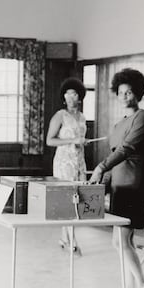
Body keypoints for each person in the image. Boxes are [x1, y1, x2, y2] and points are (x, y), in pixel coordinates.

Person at [89, 68, 144, 288]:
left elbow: (125, 150)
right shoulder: (120, 123)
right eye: (121, 92)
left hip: (134, 183)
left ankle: (143, 287)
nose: (125, 96)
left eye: (130, 92)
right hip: (118, 183)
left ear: (138, 93)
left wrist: (100, 167)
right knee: (119, 242)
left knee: (123, 240)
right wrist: (103, 179)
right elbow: (114, 153)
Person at [46, 78, 89, 255]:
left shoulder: (82, 117)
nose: (71, 97)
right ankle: (71, 239)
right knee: (67, 200)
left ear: (80, 97)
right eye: (67, 93)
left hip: (79, 162)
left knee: (77, 199)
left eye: (74, 93)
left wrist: (82, 142)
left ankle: (65, 237)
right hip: (64, 163)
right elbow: (49, 140)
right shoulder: (60, 115)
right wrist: (72, 140)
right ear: (63, 97)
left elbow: (80, 138)